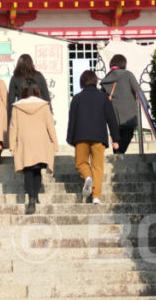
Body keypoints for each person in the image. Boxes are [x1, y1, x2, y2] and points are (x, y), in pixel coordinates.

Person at [67, 70, 120, 204]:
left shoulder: (77, 98)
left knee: (80, 163)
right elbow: (111, 119)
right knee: (98, 167)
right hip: (99, 137)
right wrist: (115, 138)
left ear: (82, 82)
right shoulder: (103, 98)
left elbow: (72, 120)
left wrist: (70, 138)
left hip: (81, 136)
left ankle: (87, 176)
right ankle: (96, 196)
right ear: (95, 81)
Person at [9, 81, 57, 215]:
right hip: (41, 142)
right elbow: (50, 125)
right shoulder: (44, 106)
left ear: (23, 92)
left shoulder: (17, 108)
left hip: (25, 142)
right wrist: (55, 142)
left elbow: (13, 128)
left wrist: (12, 145)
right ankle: (35, 196)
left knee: (28, 171)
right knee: (37, 171)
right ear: (37, 91)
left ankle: (30, 198)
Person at [99, 54, 141, 155]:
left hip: (112, 114)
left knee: (116, 137)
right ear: (123, 64)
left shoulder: (106, 78)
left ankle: (117, 155)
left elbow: (101, 97)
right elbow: (138, 90)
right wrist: (146, 104)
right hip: (128, 114)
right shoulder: (128, 75)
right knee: (128, 135)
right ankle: (120, 153)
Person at [7, 53, 52, 120]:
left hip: (21, 110)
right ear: (31, 63)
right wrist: (50, 112)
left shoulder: (15, 78)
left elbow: (11, 100)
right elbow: (46, 96)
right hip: (39, 109)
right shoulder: (39, 76)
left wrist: (10, 118)